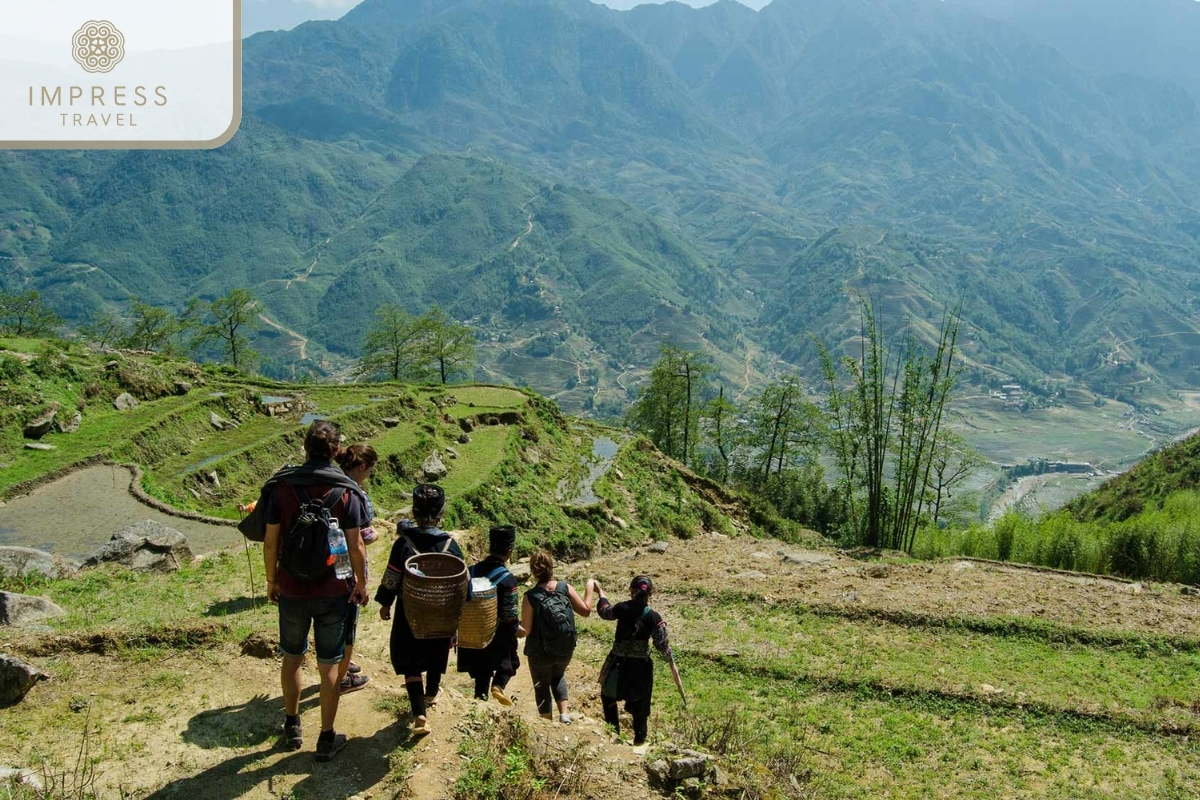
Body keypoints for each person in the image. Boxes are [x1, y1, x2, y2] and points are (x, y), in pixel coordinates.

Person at [262, 420, 369, 762]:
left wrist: (271, 580)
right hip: (333, 590)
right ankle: (326, 738)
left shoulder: (283, 488)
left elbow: (270, 541)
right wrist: (362, 584)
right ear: (337, 450)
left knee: (292, 656)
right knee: (330, 666)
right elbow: (356, 548)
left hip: (291, 585)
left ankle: (292, 726)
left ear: (305, 446)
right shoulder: (347, 492)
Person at [375, 483, 463, 737]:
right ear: (441, 513)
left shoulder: (404, 545)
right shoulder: (451, 546)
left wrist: (385, 603)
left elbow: (391, 579)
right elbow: (462, 587)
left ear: (413, 512)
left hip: (409, 615)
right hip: (441, 617)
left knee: (410, 662)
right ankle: (432, 693)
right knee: (437, 653)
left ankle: (419, 714)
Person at [591, 575, 673, 745]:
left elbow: (605, 612)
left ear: (631, 591)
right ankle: (640, 739)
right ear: (651, 593)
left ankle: (612, 734)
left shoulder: (622, 608)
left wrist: (601, 595)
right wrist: (667, 650)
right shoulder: (654, 617)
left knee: (609, 697)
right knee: (641, 703)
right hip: (640, 668)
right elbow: (661, 643)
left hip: (618, 664)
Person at [520, 551, 594, 724]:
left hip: (540, 652)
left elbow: (527, 630)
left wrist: (513, 625)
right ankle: (564, 715)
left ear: (533, 571)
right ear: (552, 567)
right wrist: (590, 588)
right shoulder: (565, 587)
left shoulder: (530, 596)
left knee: (542, 684)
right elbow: (585, 611)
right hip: (565, 649)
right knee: (558, 675)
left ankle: (547, 723)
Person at [458, 525, 524, 704]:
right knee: (513, 662)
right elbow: (510, 613)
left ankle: (480, 698)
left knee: (482, 670)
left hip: (472, 635)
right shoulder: (508, 579)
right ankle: (499, 685)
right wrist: (515, 627)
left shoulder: (470, 571)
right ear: (509, 551)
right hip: (497, 637)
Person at [334, 444, 381, 694]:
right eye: (370, 469)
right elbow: (361, 538)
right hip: (346, 565)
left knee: (332, 618)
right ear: (362, 466)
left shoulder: (328, 482)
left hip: (325, 563)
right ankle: (341, 679)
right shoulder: (353, 493)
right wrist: (362, 583)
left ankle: (340, 661)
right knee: (347, 619)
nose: (370, 474)